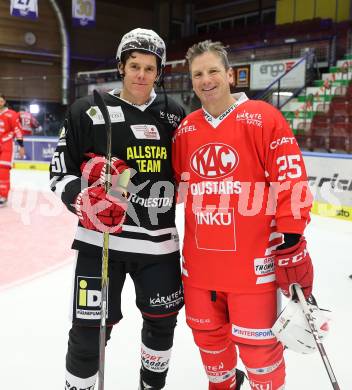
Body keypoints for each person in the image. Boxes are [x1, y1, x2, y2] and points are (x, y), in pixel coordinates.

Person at [172, 40, 314, 390]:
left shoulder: (264, 118)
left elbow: (291, 179)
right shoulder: (186, 129)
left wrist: (292, 236)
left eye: (213, 71)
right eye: (198, 74)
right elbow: (169, 185)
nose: (206, 80)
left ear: (230, 75)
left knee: (259, 354)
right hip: (200, 270)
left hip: (253, 270)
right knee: (211, 350)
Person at [49, 28, 185, 390]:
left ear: (160, 72)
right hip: (100, 244)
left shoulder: (175, 115)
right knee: (87, 333)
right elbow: (59, 172)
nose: (141, 75)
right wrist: (82, 199)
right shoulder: (87, 111)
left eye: (150, 68)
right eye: (134, 66)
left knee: (162, 324)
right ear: (121, 67)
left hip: (159, 248)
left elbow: (190, 174)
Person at [0, 94, 25, 207]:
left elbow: (17, 130)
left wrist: (21, 146)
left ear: (4, 101)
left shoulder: (12, 114)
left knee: (3, 171)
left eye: (0, 100)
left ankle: (3, 196)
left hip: (6, 146)